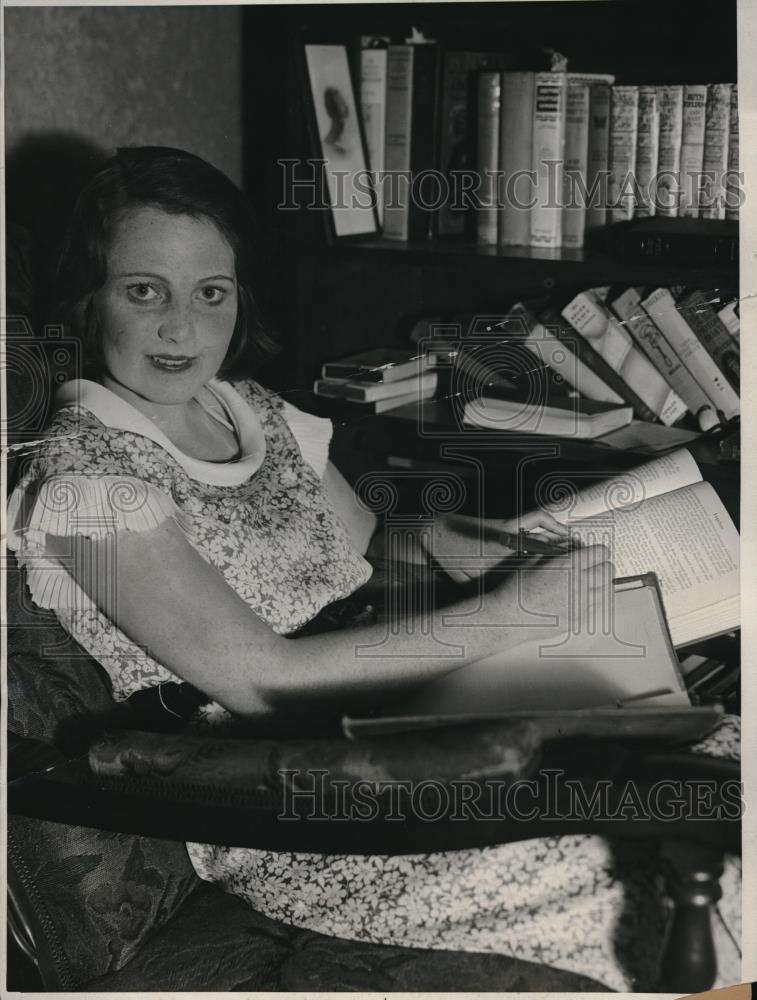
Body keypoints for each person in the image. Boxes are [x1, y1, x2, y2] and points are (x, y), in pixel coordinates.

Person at [7, 146, 740, 990]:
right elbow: (259, 681)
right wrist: (514, 616)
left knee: (730, 760)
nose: (183, 328)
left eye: (212, 292)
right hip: (295, 800)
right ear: (88, 297)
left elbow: (368, 547)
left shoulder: (254, 411)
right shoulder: (86, 476)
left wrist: (458, 544)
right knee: (679, 868)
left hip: (409, 722)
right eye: (145, 291)